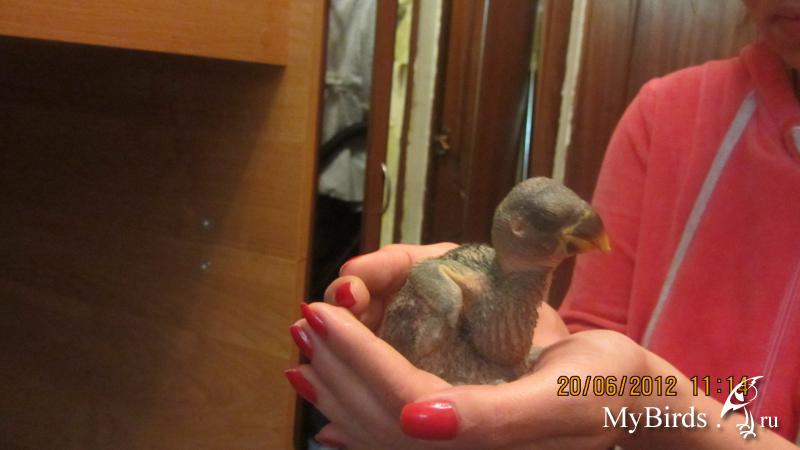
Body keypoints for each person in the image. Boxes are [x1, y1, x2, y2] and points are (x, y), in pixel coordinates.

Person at [286, 0, 800, 447]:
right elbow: (590, 344)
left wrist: (650, 404)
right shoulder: (666, 112)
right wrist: (559, 376)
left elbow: (613, 384)